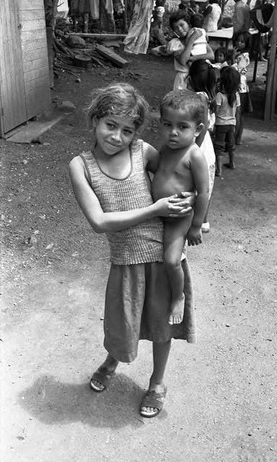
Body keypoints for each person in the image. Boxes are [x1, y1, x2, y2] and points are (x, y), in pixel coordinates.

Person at [69, 83, 196, 418]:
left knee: (161, 325)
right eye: (110, 125)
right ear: (95, 120)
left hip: (161, 254)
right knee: (123, 324)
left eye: (127, 130)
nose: (117, 137)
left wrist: (192, 206)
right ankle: (113, 360)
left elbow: (178, 174)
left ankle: (157, 382)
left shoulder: (142, 152)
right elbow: (99, 221)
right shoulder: (81, 166)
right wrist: (155, 210)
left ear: (135, 133)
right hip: (125, 259)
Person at [152, 90, 209, 324]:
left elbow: (204, 192)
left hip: (178, 217)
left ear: (197, 130)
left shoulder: (194, 155)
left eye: (182, 127)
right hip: (157, 211)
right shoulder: (165, 147)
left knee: (172, 260)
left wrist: (196, 226)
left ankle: (178, 296)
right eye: (167, 124)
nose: (173, 132)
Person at [187, 59, 217, 233]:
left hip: (201, 149)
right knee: (206, 186)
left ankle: (198, 221)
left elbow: (203, 126)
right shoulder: (207, 96)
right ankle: (204, 220)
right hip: (207, 148)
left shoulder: (198, 97)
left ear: (190, 79)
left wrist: (194, 149)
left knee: (199, 187)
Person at [168, 10, 214, 90]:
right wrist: (191, 40)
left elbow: (211, 55)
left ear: (189, 24)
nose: (180, 29)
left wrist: (193, 58)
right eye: (176, 28)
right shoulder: (175, 43)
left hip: (199, 76)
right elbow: (183, 61)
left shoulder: (199, 39)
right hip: (183, 80)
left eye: (182, 25)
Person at [214, 66, 241, 174]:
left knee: (219, 146)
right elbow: (238, 112)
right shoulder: (236, 95)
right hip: (232, 124)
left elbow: (215, 111)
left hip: (221, 124)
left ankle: (219, 169)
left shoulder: (220, 95)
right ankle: (232, 163)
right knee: (231, 144)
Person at [231, 31, 253, 145]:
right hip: (241, 87)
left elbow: (236, 70)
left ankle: (235, 138)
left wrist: (232, 58)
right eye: (238, 40)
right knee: (239, 114)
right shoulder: (242, 55)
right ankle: (237, 137)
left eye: (242, 42)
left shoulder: (243, 56)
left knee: (238, 114)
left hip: (240, 88)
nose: (239, 43)